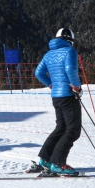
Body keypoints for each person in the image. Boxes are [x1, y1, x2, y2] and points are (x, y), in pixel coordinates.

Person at [33, 28, 82, 176]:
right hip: (68, 96)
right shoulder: (70, 51)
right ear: (70, 39)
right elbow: (70, 69)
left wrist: (50, 84)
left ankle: (45, 160)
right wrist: (76, 86)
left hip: (56, 97)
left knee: (61, 127)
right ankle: (58, 164)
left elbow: (38, 73)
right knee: (72, 130)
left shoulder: (48, 54)